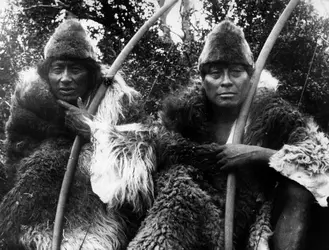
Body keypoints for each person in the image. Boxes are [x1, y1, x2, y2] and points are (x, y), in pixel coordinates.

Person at [124, 20, 329, 249]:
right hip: (192, 217)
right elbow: (159, 150)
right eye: (215, 73)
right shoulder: (183, 118)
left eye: (236, 72)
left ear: (250, 76)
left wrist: (255, 154)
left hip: (255, 220)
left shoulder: (275, 114)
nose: (226, 82)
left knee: (298, 188)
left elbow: (317, 162)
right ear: (203, 79)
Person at [0, 18, 155, 249]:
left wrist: (93, 130)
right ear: (46, 73)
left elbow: (139, 168)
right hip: (35, 213)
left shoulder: (119, 102)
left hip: (97, 218)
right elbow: (16, 162)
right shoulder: (30, 105)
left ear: (91, 74)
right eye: (57, 69)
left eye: (75, 69)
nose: (65, 78)